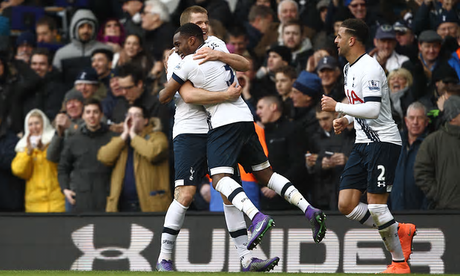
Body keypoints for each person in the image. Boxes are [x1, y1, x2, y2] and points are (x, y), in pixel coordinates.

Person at [160, 22, 326, 257]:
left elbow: (173, 95)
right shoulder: (216, 45)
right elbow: (245, 64)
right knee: (265, 174)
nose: (175, 48)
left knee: (219, 179)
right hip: (246, 119)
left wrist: (170, 74)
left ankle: (256, 217)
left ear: (191, 40)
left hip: (222, 124)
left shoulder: (185, 62)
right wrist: (220, 58)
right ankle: (309, 210)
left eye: (178, 44)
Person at [155, 6, 278, 272]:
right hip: (189, 130)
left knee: (228, 191)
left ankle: (246, 258)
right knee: (186, 194)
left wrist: (223, 57)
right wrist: (226, 96)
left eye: (206, 22)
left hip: (218, 128)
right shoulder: (177, 57)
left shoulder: (215, 45)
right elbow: (187, 96)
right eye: (198, 23)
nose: (204, 27)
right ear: (187, 30)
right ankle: (164, 257)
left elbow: (242, 65)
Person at [321, 18, 415, 273]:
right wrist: (347, 119)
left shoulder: (370, 69)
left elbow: (373, 109)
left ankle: (398, 263)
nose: (335, 40)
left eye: (339, 36)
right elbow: (363, 105)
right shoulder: (348, 68)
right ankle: (399, 230)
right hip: (363, 143)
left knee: (376, 205)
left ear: (352, 40)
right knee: (346, 204)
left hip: (383, 142)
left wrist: (337, 106)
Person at [98, 105, 171, 212]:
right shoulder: (120, 141)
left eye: (136, 115)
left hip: (150, 205)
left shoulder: (158, 137)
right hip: (121, 205)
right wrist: (124, 135)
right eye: (129, 115)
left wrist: (132, 134)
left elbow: (153, 153)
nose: (131, 118)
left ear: (145, 121)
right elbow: (103, 157)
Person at [58, 99, 116, 213]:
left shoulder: (113, 138)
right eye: (88, 112)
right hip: (80, 198)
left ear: (101, 115)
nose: (92, 116)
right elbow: (63, 168)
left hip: (107, 198)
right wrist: (65, 189)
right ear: (83, 115)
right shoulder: (73, 140)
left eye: (95, 112)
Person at [256, 95, 307, 211]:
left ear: (273, 107)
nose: (257, 112)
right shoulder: (262, 133)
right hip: (264, 200)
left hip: (291, 201)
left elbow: (298, 164)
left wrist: (278, 187)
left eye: (260, 107)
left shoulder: (293, 129)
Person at [11, 109, 65, 212]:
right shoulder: (23, 146)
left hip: (57, 202)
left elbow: (59, 164)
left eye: (37, 123)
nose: (34, 127)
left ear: (44, 124)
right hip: (34, 205)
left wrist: (43, 149)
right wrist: (28, 153)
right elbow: (19, 171)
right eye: (30, 124)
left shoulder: (54, 141)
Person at [414, 95, 460, 209]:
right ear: (453, 117)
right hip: (446, 210)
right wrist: (440, 195)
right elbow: (421, 172)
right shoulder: (433, 141)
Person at [52, 9, 111, 89]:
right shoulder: (61, 54)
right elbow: (56, 82)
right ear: (74, 28)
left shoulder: (106, 50)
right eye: (81, 26)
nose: (86, 30)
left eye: (89, 27)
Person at [390, 102, 429, 211]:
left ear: (426, 122)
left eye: (419, 118)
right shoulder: (394, 142)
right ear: (406, 121)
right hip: (394, 210)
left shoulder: (431, 145)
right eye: (411, 118)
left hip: (421, 213)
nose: (415, 122)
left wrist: (426, 210)